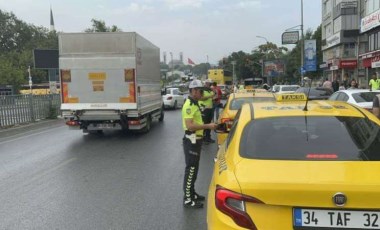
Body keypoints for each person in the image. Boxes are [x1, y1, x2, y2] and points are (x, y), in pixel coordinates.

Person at [181, 79, 217, 208]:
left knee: (194, 169)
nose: (202, 93)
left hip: (196, 140)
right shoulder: (189, 105)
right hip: (192, 139)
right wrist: (208, 126)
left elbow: (211, 95)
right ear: (194, 91)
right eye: (200, 91)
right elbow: (190, 126)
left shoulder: (195, 102)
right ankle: (188, 199)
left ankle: (192, 193)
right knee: (191, 170)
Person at [199, 79, 215, 143]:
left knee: (209, 123)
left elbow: (212, 98)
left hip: (210, 108)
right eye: (209, 84)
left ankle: (208, 137)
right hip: (204, 109)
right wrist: (210, 96)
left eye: (210, 84)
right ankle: (202, 138)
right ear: (206, 83)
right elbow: (201, 98)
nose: (210, 85)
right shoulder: (202, 90)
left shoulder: (210, 90)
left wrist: (214, 97)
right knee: (204, 123)